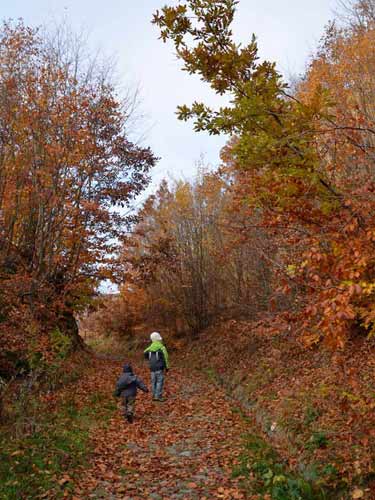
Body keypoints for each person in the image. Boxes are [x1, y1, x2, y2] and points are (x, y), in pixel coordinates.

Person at [144, 332, 169, 402]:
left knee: (153, 382)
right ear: (158, 339)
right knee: (159, 382)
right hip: (159, 368)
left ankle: (154, 395)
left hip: (152, 368)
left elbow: (144, 352)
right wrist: (167, 367)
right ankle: (158, 396)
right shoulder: (162, 347)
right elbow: (166, 358)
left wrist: (149, 358)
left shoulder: (150, 347)